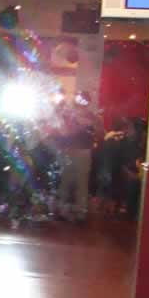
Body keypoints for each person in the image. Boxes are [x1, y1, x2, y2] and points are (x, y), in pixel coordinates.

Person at [51, 90, 100, 222]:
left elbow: (98, 133)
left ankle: (79, 212)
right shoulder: (70, 114)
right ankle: (66, 210)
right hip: (71, 150)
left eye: (82, 99)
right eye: (78, 98)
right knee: (67, 181)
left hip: (82, 151)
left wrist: (89, 124)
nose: (79, 100)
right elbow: (62, 131)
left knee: (80, 182)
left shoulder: (91, 116)